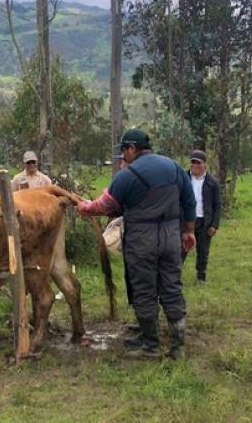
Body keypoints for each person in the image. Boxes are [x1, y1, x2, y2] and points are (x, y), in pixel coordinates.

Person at [78, 128, 196, 359]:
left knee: (144, 290)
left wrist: (85, 208)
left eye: (124, 151)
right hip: (171, 236)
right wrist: (189, 231)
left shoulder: (127, 176)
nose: (123, 157)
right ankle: (177, 346)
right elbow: (189, 200)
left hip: (142, 240)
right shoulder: (173, 167)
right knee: (172, 288)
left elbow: (104, 206)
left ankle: (151, 345)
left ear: (132, 148)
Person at [183, 150, 221, 284]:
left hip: (204, 221)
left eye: (197, 163)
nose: (194, 165)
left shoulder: (212, 183)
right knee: (181, 249)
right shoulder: (184, 178)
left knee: (203, 251)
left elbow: (217, 205)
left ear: (205, 164)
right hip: (186, 220)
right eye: (192, 162)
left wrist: (214, 224)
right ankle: (174, 276)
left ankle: (201, 277)